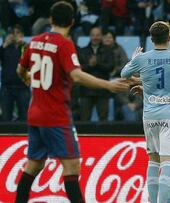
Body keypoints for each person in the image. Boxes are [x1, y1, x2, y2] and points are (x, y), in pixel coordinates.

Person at [15, 2, 136, 202]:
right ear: (72, 22)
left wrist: (28, 79)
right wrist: (108, 85)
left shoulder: (34, 42)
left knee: (33, 165)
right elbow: (77, 76)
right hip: (56, 116)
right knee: (71, 167)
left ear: (51, 20)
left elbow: (20, 70)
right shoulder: (64, 44)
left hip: (35, 114)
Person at [121, 21, 170, 203]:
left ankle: (154, 200)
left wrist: (134, 59)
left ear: (151, 39)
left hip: (149, 116)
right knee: (167, 163)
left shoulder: (142, 59)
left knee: (153, 161)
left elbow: (124, 74)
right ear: (169, 38)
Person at [78, 27, 115, 121]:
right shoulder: (82, 51)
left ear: (102, 36)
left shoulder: (108, 50)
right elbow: (78, 69)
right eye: (93, 35)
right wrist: (90, 65)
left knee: (103, 120)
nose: (95, 37)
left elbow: (110, 67)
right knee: (84, 119)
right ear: (90, 36)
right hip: (86, 90)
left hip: (102, 89)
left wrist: (97, 64)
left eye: (97, 35)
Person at [0, 24, 30, 121]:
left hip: (23, 87)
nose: (15, 35)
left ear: (22, 34)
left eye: (18, 33)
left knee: (25, 118)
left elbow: (33, 60)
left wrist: (25, 46)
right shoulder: (5, 47)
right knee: (5, 118)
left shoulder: (26, 47)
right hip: (7, 87)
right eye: (13, 33)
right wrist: (4, 45)